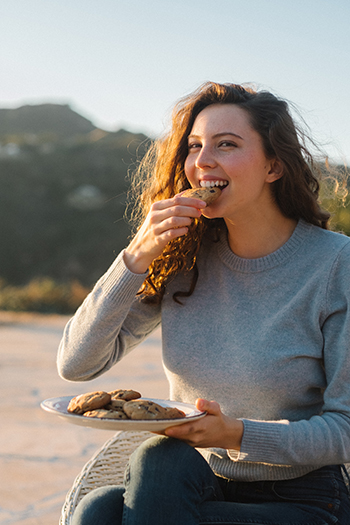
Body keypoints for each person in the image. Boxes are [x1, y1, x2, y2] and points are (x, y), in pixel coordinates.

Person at [57, 81, 350, 524]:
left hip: (304, 499)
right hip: (196, 481)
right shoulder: (182, 257)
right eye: (194, 146)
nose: (202, 161)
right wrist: (135, 257)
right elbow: (77, 365)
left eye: (226, 144)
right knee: (115, 493)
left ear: (274, 166)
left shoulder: (335, 264)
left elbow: (345, 429)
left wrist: (235, 432)